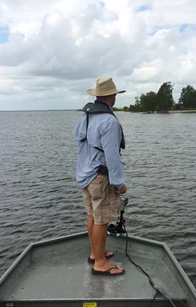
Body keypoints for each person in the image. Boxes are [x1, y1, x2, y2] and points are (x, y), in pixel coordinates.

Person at [74, 77, 127, 276]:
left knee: (93, 215)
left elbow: (81, 144)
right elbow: (112, 156)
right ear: (112, 96)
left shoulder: (85, 116)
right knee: (101, 220)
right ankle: (101, 263)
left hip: (85, 175)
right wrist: (119, 183)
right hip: (100, 177)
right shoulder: (109, 121)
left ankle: (96, 254)